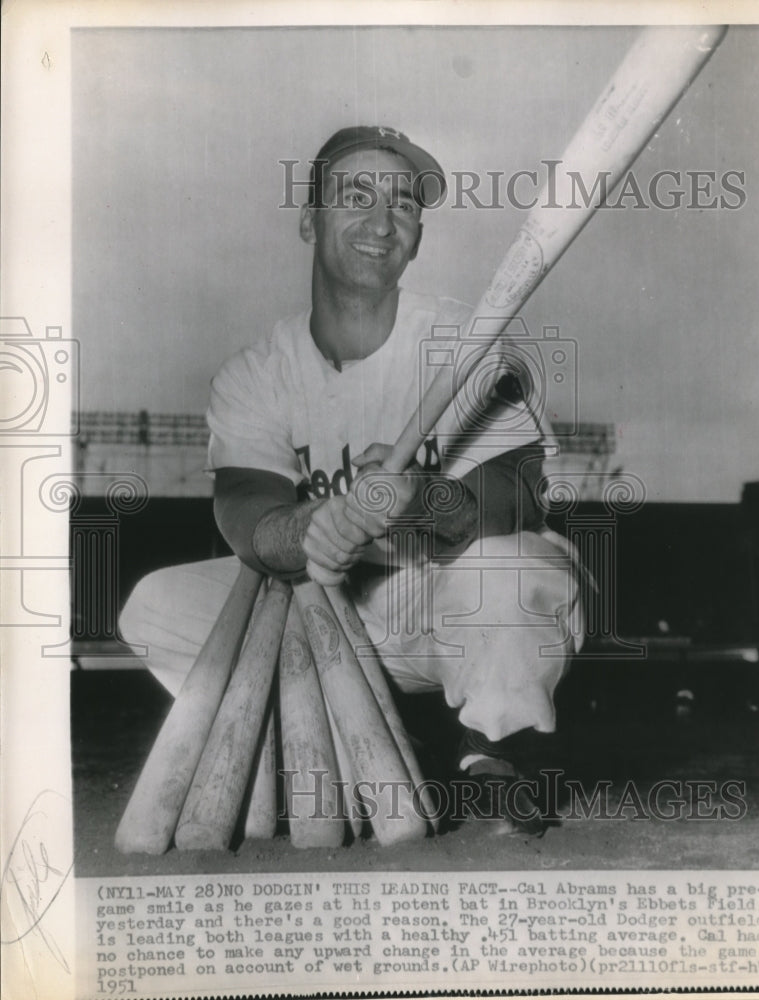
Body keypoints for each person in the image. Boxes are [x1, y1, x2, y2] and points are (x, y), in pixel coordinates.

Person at [121, 125, 583, 837]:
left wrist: (419, 500)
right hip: (325, 616)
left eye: (403, 205)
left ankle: (494, 748)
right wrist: (304, 530)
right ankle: (337, 737)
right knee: (156, 603)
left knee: (514, 568)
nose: (380, 221)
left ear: (418, 236)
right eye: (355, 196)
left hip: (438, 607)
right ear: (309, 219)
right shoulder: (257, 371)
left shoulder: (469, 345)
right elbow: (245, 508)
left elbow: (515, 497)